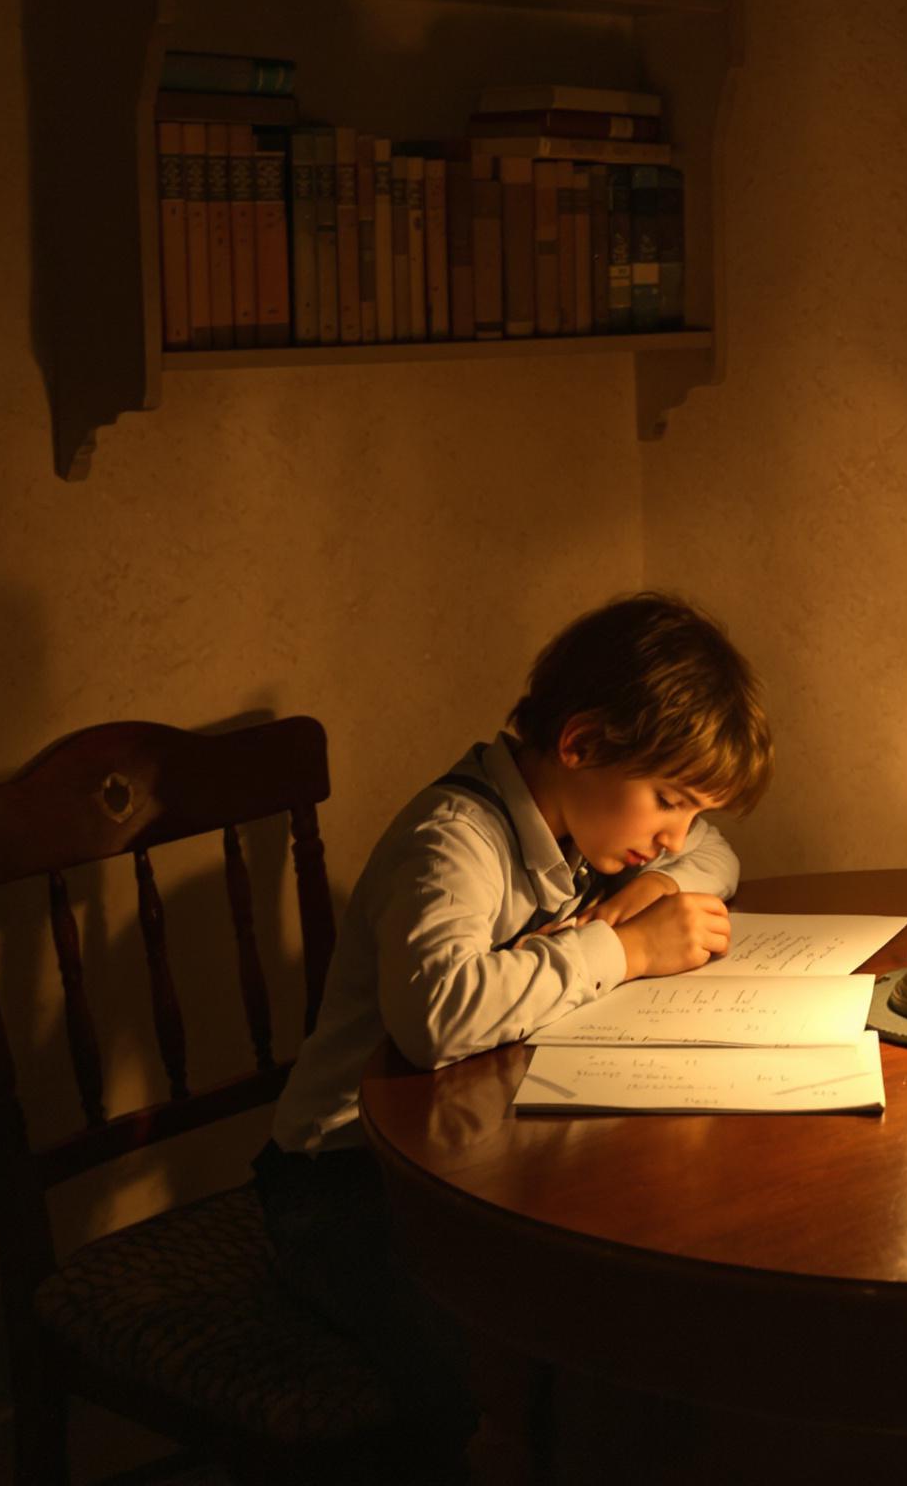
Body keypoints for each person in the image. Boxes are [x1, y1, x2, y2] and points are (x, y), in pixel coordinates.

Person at [257, 591, 773, 1470]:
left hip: (474, 1152)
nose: (675, 834)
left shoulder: (590, 825)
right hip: (344, 1182)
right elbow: (438, 1017)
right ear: (580, 744)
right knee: (484, 1365)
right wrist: (621, 949)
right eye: (668, 802)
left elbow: (715, 857)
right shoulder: (454, 839)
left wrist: (645, 893)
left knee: (649, 1287)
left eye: (689, 811)